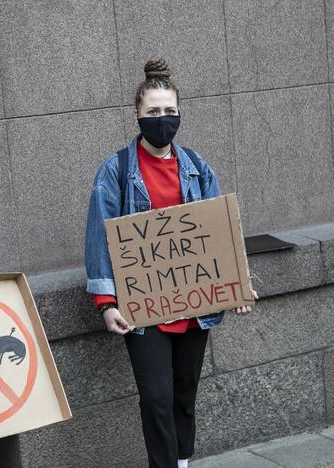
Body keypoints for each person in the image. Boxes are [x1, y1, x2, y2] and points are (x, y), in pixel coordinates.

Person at [84, 59, 257, 468]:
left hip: (196, 304)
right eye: (153, 113)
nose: (163, 120)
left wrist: (237, 283)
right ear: (137, 116)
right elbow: (99, 236)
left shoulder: (198, 168)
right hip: (142, 309)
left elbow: (219, 234)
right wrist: (106, 303)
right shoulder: (116, 172)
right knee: (156, 398)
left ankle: (181, 462)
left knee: (184, 393)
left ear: (179, 113)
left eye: (170, 112)